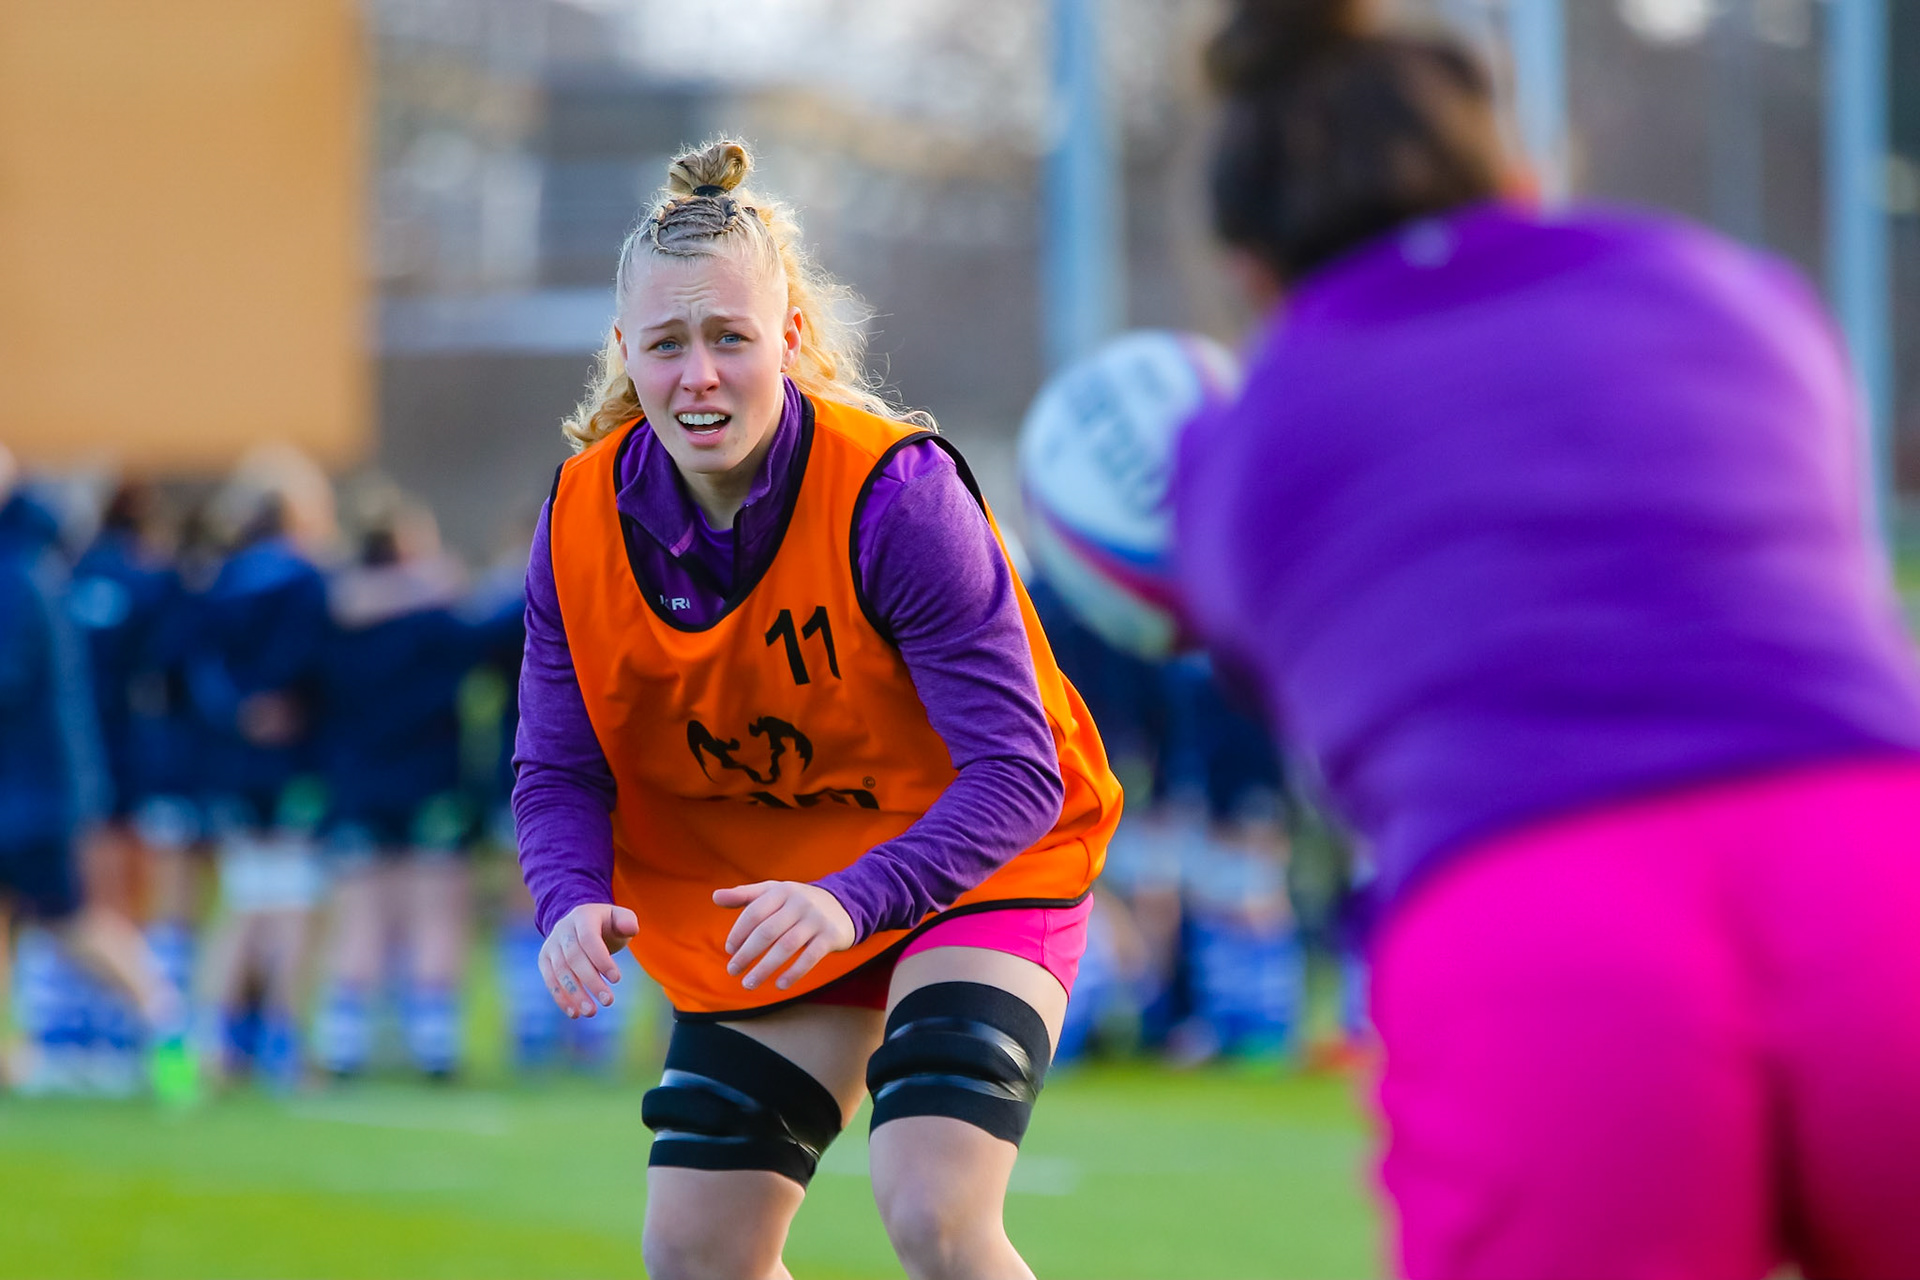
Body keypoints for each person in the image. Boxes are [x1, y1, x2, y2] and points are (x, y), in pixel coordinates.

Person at [1177, 2, 1920, 1277]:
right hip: (1873, 852)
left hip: (1537, 913)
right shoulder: (1734, 296)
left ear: (1253, 267)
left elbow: (1269, 671)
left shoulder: (1248, 449)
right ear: (1518, 174)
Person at [514, 139, 1121, 1280]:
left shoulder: (895, 493)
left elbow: (1016, 773)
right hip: (780, 894)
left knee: (935, 1205)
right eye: (667, 344)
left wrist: (853, 899)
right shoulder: (581, 513)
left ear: (787, 338)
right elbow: (559, 766)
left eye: (730, 338)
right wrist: (568, 898)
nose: (700, 375)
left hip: (978, 860)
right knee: (698, 1250)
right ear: (623, 356)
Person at [312, 483, 518, 1080]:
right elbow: (496, 641)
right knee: (437, 913)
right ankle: (436, 1050)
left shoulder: (337, 619)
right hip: (433, 781)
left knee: (361, 915)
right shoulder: (439, 617)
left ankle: (344, 1048)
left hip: (356, 784)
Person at [0, 448, 182, 1093]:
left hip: (28, 791)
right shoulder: (31, 563)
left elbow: (12, 679)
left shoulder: (16, 573)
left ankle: (167, 1025)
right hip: (28, 787)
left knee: (73, 922)